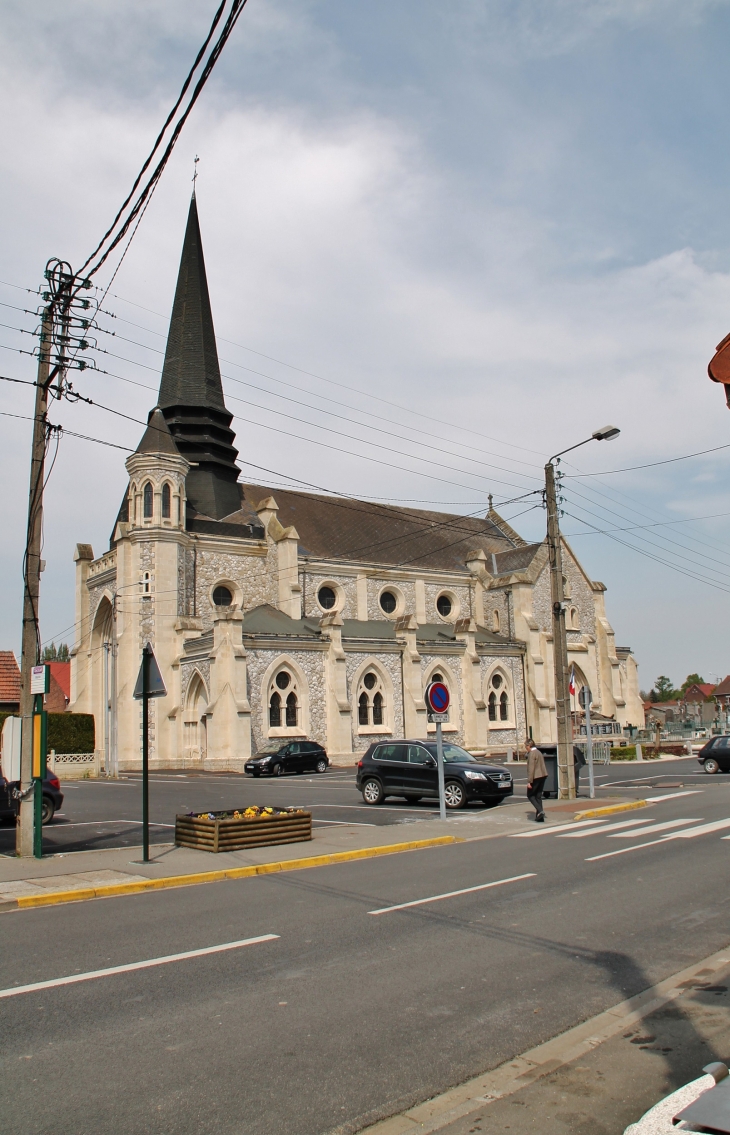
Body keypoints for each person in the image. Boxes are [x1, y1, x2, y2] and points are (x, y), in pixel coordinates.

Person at [525, 738, 547, 822]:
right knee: (538, 796)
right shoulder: (538, 752)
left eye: (526, 746)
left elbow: (531, 768)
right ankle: (539, 817)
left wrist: (529, 782)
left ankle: (540, 811)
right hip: (543, 775)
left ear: (529, 745)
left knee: (530, 795)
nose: (525, 748)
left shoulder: (532, 754)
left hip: (536, 777)